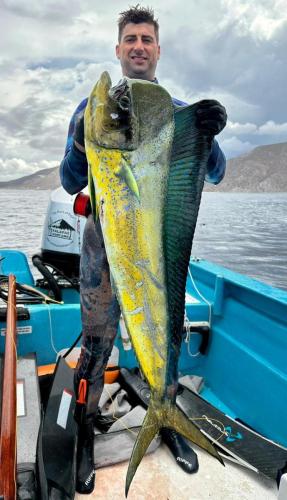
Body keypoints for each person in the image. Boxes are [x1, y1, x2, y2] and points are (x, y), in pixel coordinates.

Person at [60, 5, 227, 494]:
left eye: (146, 39)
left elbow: (215, 174)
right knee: (96, 344)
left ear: (158, 50)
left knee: (165, 329)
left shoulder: (175, 113)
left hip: (155, 251)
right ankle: (86, 433)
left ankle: (166, 411)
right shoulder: (91, 113)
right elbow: (70, 180)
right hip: (103, 248)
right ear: (118, 48)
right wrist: (78, 142)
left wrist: (209, 136)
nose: (137, 46)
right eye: (130, 38)